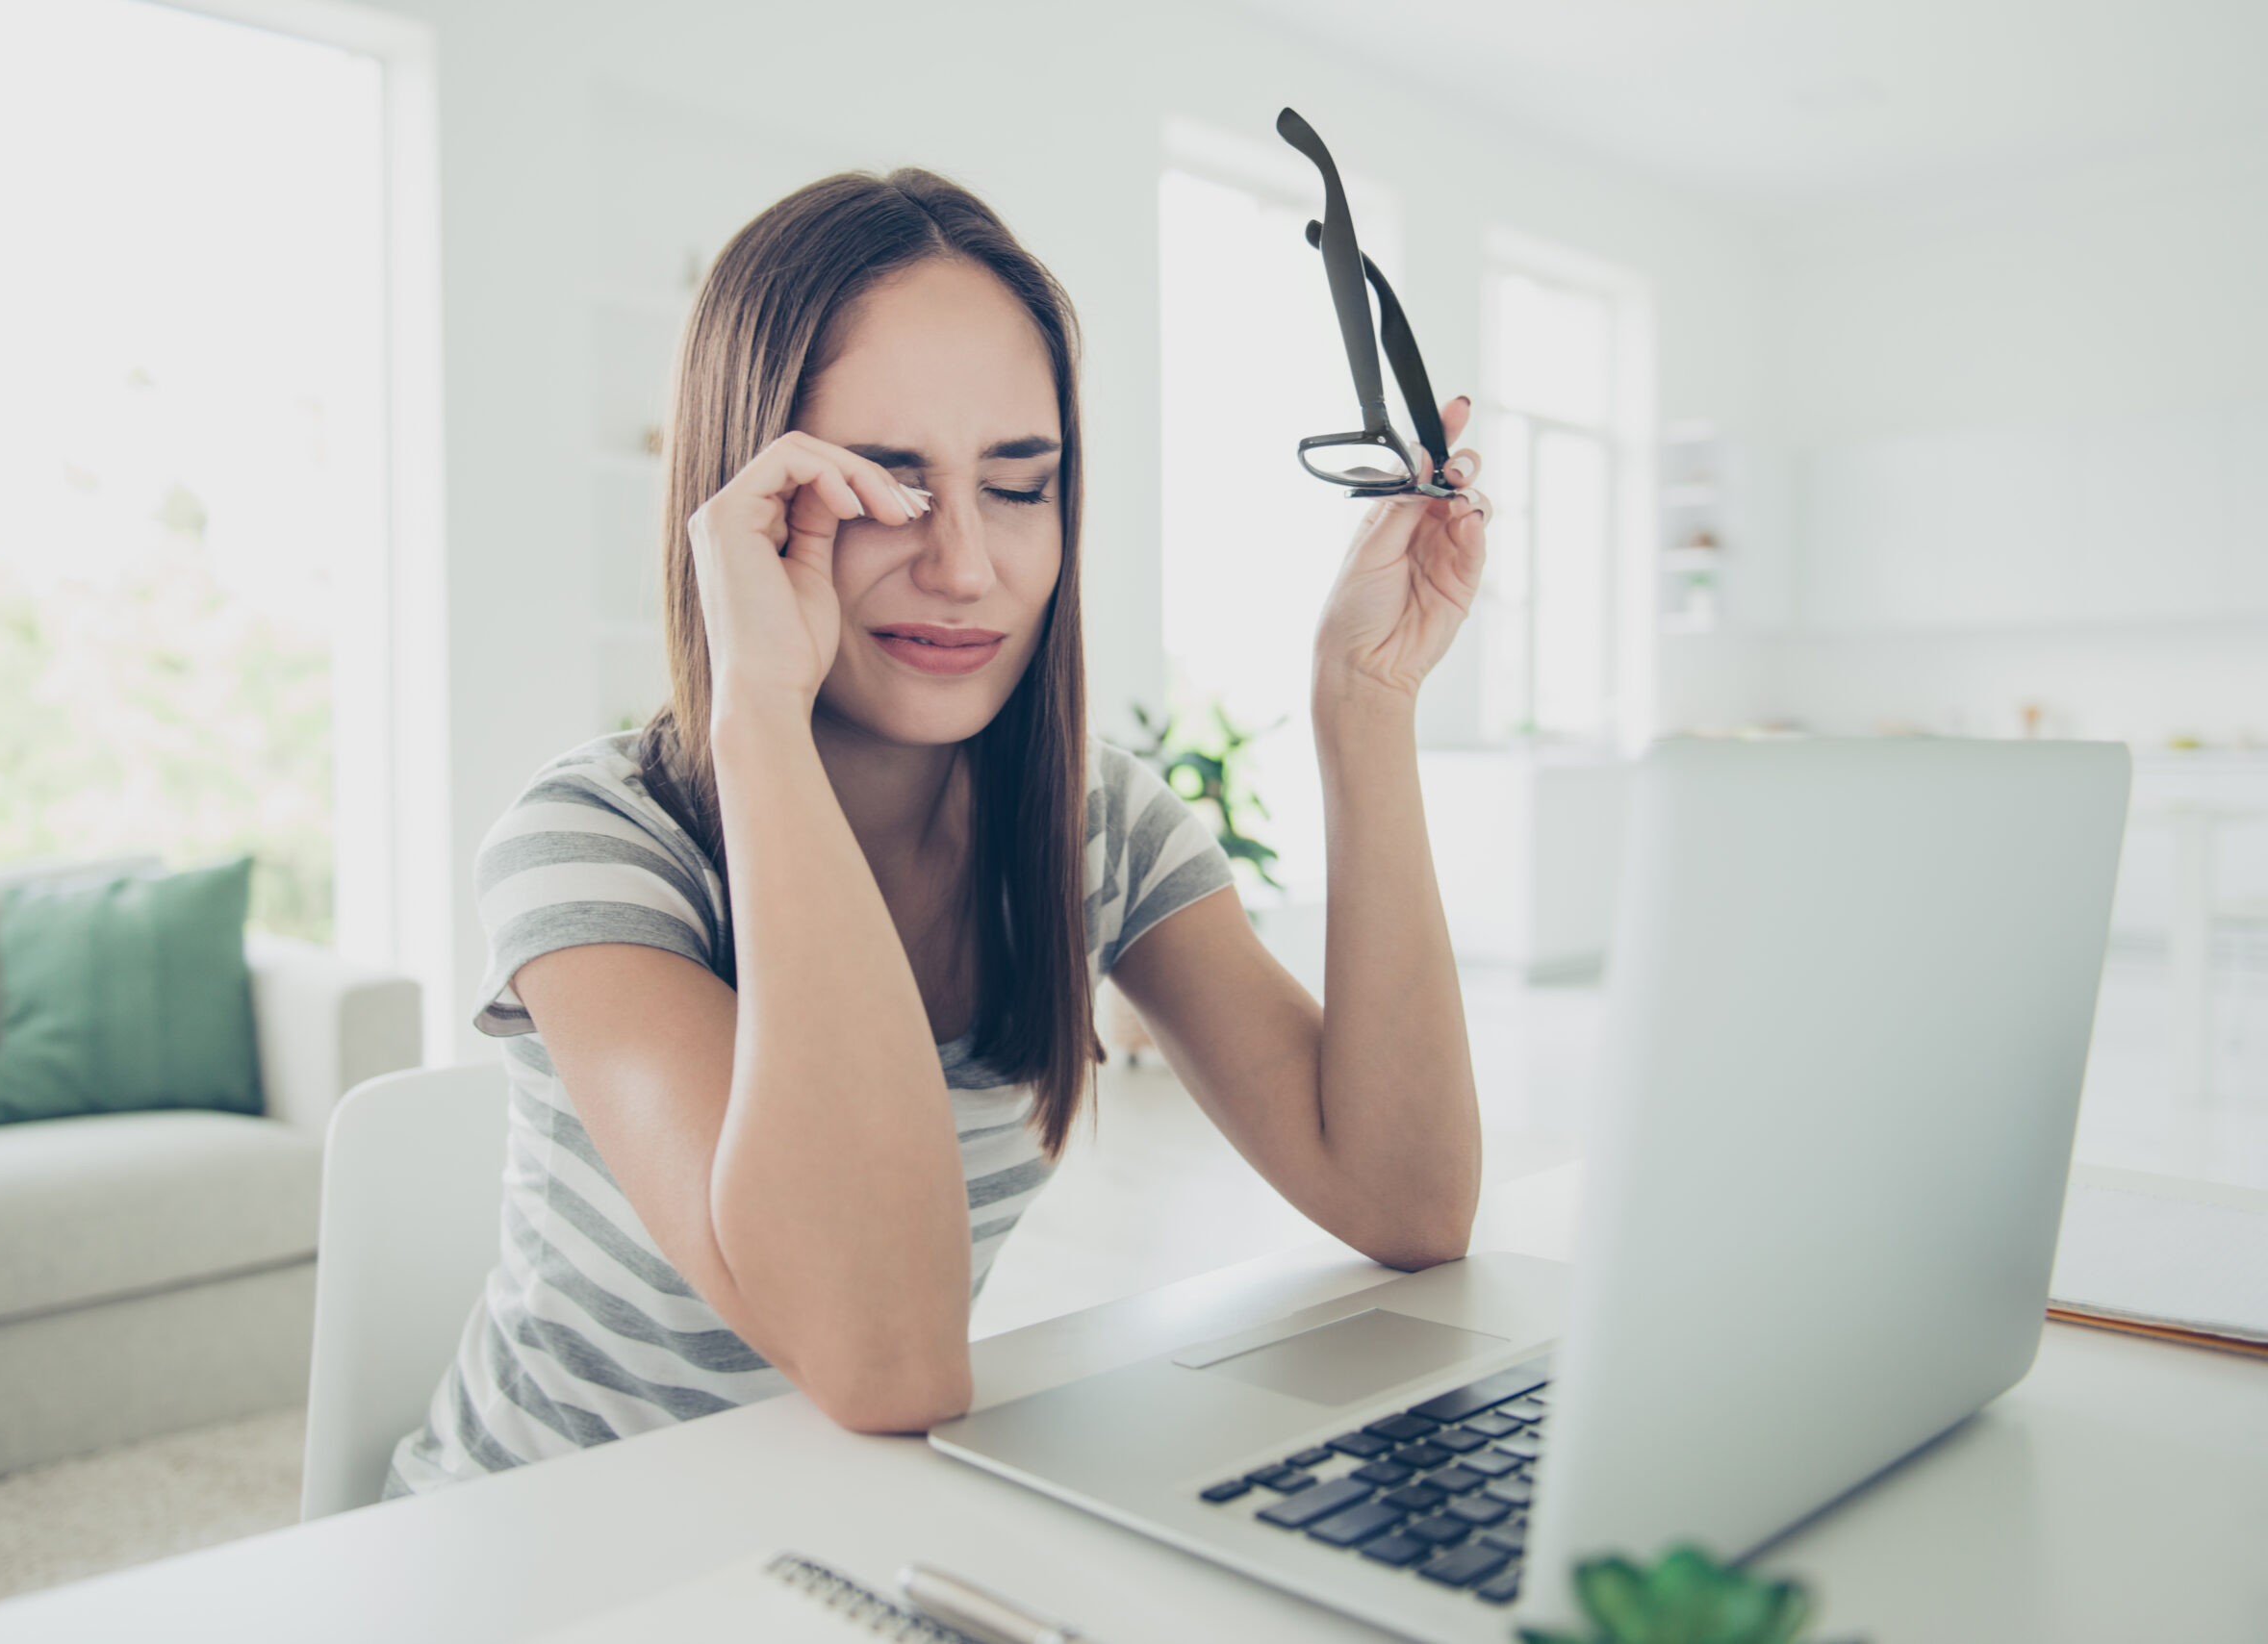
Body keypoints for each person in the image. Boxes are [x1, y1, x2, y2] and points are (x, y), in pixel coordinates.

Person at [385, 167, 1492, 1497]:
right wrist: (761, 719)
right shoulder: (592, 842)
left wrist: (1364, 703)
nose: (967, 566)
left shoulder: (1093, 823)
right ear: (744, 506)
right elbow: (889, 1356)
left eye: (1020, 486)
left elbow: (1408, 1203)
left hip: (850, 1523)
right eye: (887, 487)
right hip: (538, 1554)